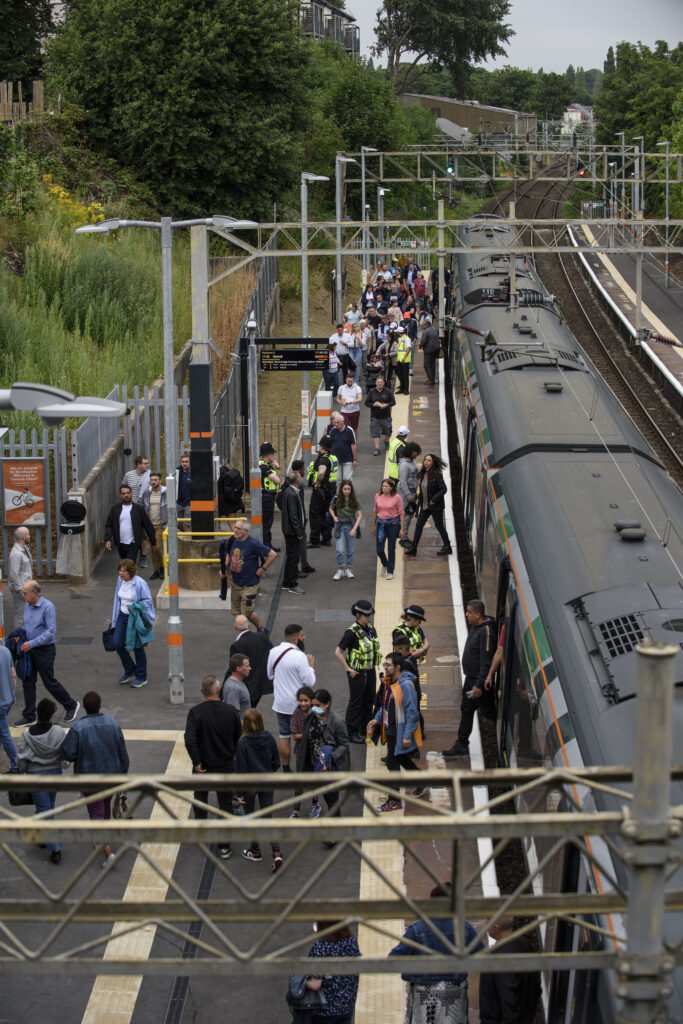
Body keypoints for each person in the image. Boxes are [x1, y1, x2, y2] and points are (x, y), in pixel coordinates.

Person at [389, 882, 481, 1024]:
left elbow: (393, 959)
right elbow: (482, 956)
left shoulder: (417, 929)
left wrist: (411, 974)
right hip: (454, 994)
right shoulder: (464, 928)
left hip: (423, 993)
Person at [62, 690, 129, 867]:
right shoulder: (113, 724)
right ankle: (103, 836)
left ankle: (106, 850)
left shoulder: (77, 728)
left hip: (88, 778)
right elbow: (123, 753)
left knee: (96, 810)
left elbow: (68, 752)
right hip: (111, 775)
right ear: (100, 706)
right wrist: (123, 774)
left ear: (84, 708)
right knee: (105, 805)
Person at [184, 675, 242, 859]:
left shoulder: (195, 712)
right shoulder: (230, 711)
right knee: (225, 803)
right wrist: (232, 751)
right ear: (218, 691)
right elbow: (238, 734)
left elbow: (190, 739)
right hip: (225, 764)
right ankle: (224, 846)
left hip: (204, 765)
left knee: (200, 798)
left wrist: (196, 762)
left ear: (202, 691)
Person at [14, 581, 80, 728]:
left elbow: (50, 632)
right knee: (28, 681)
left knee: (49, 681)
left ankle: (71, 705)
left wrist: (31, 643)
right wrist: (22, 636)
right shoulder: (27, 605)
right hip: (29, 649)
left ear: (35, 593)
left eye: (25, 593)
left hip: (44, 650)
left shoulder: (48, 607)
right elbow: (27, 625)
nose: (22, 595)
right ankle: (29, 715)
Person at [442, 600, 496, 758]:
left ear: (478, 614)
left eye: (469, 612)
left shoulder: (486, 631)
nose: (466, 614)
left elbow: (486, 661)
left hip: (477, 682)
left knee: (488, 712)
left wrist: (479, 684)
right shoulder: (476, 627)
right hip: (471, 679)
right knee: (466, 709)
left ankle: (497, 736)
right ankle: (462, 743)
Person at [16, 698, 67, 864]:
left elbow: (21, 759)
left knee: (44, 810)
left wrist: (23, 772)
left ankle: (54, 847)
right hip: (54, 774)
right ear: (51, 714)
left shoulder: (26, 735)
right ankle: (47, 839)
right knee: (48, 809)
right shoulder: (59, 732)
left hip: (35, 776)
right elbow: (65, 754)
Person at [369, 652, 422, 812]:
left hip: (398, 731)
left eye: (388, 665)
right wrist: (377, 718)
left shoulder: (405, 685)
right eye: (385, 664)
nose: (385, 667)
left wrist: (407, 735)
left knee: (393, 764)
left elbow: (412, 712)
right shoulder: (390, 682)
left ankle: (395, 800)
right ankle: (422, 781)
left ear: (398, 667)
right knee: (401, 758)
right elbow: (385, 704)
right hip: (390, 728)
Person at [235, 708, 284, 872]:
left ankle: (255, 850)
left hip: (250, 784)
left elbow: (240, 769)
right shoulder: (269, 737)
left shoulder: (243, 743)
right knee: (268, 818)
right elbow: (276, 762)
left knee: (251, 816)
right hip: (267, 781)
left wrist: (239, 793)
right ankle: (276, 853)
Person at [268, 624, 316, 771]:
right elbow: (310, 682)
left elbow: (270, 675)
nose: (304, 638)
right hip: (299, 706)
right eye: (302, 636)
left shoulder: (273, 652)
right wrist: (311, 667)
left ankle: (286, 769)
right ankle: (302, 767)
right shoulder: (300, 656)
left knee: (284, 735)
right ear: (296, 639)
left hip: (281, 704)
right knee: (301, 738)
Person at [292, 921, 360, 1024]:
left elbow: (316, 984)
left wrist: (300, 982)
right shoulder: (351, 942)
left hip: (325, 1011)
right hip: (346, 1006)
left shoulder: (321, 948)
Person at [296, 689, 350, 820]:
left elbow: (344, 744)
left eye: (318, 705)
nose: (314, 708)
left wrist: (331, 756)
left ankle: (335, 833)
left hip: (330, 766)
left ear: (327, 704)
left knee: (332, 799)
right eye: (313, 705)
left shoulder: (337, 722)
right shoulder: (312, 716)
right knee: (325, 796)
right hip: (316, 764)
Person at [334, 599, 381, 744]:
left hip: (370, 670)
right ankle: (352, 732)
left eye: (369, 614)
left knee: (369, 700)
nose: (368, 617)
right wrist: (348, 669)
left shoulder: (371, 628)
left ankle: (364, 728)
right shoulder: (351, 632)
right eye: (366, 615)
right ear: (358, 614)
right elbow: (338, 652)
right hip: (357, 673)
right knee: (356, 702)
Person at [479, 917, 541, 1024]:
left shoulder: (499, 958)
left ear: (496, 926)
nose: (485, 923)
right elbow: (536, 987)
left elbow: (509, 1000)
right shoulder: (525, 946)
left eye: (488, 920)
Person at [221, 519, 277, 630]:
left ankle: (259, 629)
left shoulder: (253, 543)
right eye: (235, 527)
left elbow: (273, 555)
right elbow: (229, 553)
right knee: (236, 612)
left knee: (247, 613)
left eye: (238, 528)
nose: (235, 530)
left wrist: (262, 568)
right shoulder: (232, 540)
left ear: (246, 531)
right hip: (236, 583)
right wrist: (224, 567)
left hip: (249, 585)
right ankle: (244, 632)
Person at [111, 558, 155, 689]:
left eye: (124, 571)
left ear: (131, 572)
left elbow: (147, 601)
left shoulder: (140, 583)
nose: (121, 573)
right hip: (122, 616)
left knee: (137, 647)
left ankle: (141, 676)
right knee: (117, 643)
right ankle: (130, 669)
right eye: (119, 570)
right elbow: (117, 600)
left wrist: (134, 606)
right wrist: (114, 619)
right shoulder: (120, 581)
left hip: (134, 617)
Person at [405, 454, 452, 558]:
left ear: (433, 463)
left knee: (439, 526)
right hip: (425, 506)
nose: (426, 462)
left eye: (429, 460)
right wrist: (418, 501)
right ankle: (413, 549)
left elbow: (443, 489)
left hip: (436, 506)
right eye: (425, 460)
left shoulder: (437, 475)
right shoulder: (423, 474)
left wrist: (434, 499)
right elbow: (423, 489)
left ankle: (447, 546)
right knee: (418, 526)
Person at [289, 685, 320, 819]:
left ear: (312, 701)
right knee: (299, 780)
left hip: (315, 752)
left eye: (306, 701)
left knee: (314, 779)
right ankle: (296, 809)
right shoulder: (296, 713)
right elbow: (294, 735)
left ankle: (315, 804)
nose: (303, 703)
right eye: (300, 701)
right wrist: (309, 733)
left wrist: (305, 734)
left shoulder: (318, 712)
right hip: (301, 752)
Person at [230, 615, 273, 707]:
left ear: (235, 627)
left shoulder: (237, 646)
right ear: (249, 625)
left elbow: (234, 670)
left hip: (248, 686)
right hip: (262, 684)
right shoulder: (262, 637)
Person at [104, 484, 156, 562]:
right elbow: (109, 525)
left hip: (133, 544)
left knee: (129, 565)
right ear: (120, 495)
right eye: (124, 493)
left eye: (128, 493)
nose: (126, 495)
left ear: (131, 494)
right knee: (125, 565)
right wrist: (108, 539)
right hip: (120, 544)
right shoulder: (115, 509)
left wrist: (153, 542)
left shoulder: (138, 509)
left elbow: (147, 525)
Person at [277, 470, 306, 595]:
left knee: (290, 557)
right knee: (294, 558)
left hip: (289, 530)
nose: (301, 478)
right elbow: (294, 516)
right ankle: (292, 584)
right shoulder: (292, 494)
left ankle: (286, 582)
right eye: (300, 477)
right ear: (297, 480)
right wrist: (299, 532)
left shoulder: (288, 492)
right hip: (292, 532)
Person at [307, 436, 338, 548]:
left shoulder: (324, 459)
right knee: (327, 513)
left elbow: (321, 472)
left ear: (322, 447)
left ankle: (314, 540)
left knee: (315, 514)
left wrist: (317, 483)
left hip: (321, 491)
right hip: (330, 490)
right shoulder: (333, 457)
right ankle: (326, 539)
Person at [373, 478, 405, 581]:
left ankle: (390, 571)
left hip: (393, 525)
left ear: (391, 488)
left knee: (391, 549)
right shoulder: (377, 496)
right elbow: (375, 511)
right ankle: (385, 564)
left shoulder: (397, 497)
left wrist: (402, 529)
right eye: (383, 486)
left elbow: (401, 513)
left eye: (386, 486)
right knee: (379, 550)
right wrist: (373, 525)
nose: (384, 488)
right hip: (380, 525)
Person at [329, 481, 362, 581]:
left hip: (351, 525)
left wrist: (354, 529)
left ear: (351, 490)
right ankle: (340, 569)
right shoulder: (336, 498)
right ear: (341, 489)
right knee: (340, 550)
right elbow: (330, 508)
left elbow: (359, 516)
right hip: (339, 525)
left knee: (350, 550)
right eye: (345, 489)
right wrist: (334, 517)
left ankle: (348, 569)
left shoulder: (354, 500)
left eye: (349, 489)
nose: (347, 491)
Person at [290, 459, 316, 579]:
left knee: (302, 543)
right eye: (303, 468)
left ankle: (304, 565)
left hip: (300, 520)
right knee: (295, 547)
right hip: (296, 522)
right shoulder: (295, 486)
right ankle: (296, 569)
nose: (305, 470)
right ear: (299, 470)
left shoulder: (295, 483)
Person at [139, 471, 167, 580]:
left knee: (159, 547)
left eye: (155, 480)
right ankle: (156, 570)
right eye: (151, 480)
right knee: (153, 548)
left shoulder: (165, 493)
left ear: (160, 481)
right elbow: (143, 506)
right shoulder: (147, 493)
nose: (153, 482)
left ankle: (163, 568)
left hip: (160, 524)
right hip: (150, 525)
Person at [365, 375, 396, 456]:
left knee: (388, 431)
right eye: (378, 382)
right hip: (375, 416)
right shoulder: (371, 392)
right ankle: (377, 449)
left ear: (384, 383)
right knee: (375, 432)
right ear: (375, 383)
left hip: (386, 416)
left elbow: (393, 402)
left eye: (381, 382)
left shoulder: (388, 392)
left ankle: (386, 441)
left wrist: (387, 404)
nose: (379, 384)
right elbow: (367, 403)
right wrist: (373, 404)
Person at [8, 526, 33, 627]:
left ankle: (24, 636)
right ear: (24, 537)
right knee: (20, 614)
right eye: (28, 535)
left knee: (26, 613)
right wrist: (20, 590)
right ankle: (17, 639)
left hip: (26, 586)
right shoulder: (16, 553)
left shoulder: (24, 549)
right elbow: (13, 573)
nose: (30, 537)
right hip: (21, 588)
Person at [397, 442, 422, 543]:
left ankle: (402, 535)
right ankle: (404, 538)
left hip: (410, 492)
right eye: (415, 452)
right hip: (406, 494)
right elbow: (403, 482)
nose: (417, 454)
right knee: (406, 516)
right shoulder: (405, 465)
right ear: (410, 452)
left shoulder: (410, 463)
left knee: (408, 515)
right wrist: (409, 496)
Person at [258, 441, 281, 551]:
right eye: (272, 453)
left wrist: (276, 465)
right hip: (266, 497)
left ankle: (268, 545)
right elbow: (276, 480)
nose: (274, 455)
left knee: (268, 521)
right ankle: (266, 547)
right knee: (266, 522)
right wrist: (275, 467)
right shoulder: (263, 466)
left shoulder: (267, 465)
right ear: (268, 454)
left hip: (269, 496)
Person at [0, 641, 18, 773]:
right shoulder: (6, 651)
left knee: (5, 734)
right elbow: (13, 675)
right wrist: (13, 695)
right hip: (7, 700)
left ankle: (16, 764)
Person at [325, 412, 357, 481]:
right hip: (336, 460)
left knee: (347, 479)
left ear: (343, 421)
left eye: (338, 423)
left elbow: (353, 445)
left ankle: (347, 491)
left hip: (348, 459)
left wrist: (355, 459)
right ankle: (338, 492)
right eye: (334, 423)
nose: (336, 424)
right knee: (337, 479)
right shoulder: (332, 431)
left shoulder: (349, 430)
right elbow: (328, 444)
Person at [221, 654, 252, 720]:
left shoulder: (238, 682)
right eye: (247, 666)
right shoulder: (234, 689)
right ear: (238, 669)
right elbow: (233, 716)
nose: (250, 668)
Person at [419, 317, 441, 385]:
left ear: (426, 325)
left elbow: (424, 341)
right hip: (436, 349)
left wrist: (420, 345)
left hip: (428, 350)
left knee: (427, 365)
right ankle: (432, 378)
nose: (422, 326)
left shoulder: (425, 332)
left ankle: (430, 379)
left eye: (423, 325)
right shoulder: (435, 329)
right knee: (432, 364)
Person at [395, 327, 412, 395]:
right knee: (400, 374)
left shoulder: (406, 338)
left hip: (405, 360)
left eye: (397, 332)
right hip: (399, 359)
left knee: (405, 375)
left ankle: (406, 390)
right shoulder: (400, 338)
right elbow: (399, 350)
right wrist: (397, 358)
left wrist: (404, 357)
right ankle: (402, 388)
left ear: (399, 332)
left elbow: (409, 348)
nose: (396, 333)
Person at [176, 453, 191, 524]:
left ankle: (187, 535)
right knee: (179, 524)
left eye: (186, 462)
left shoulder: (193, 473)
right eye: (183, 462)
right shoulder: (177, 472)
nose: (184, 464)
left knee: (187, 524)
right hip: (179, 502)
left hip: (189, 503)